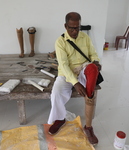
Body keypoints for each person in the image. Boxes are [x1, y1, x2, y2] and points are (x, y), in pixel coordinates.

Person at [47, 12, 101, 146]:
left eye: (77, 27)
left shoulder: (85, 38)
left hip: (83, 69)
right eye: (71, 28)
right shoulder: (60, 42)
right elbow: (64, 66)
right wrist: (75, 83)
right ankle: (60, 119)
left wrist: (96, 61)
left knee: (90, 89)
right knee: (56, 93)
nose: (75, 31)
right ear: (65, 26)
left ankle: (88, 127)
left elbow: (93, 53)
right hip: (67, 72)